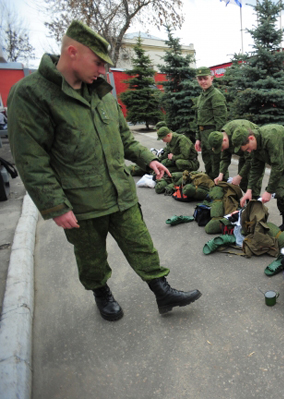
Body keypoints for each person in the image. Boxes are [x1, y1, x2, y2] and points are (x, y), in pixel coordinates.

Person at [7, 20, 201, 322]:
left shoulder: (102, 95)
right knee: (91, 258)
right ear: (73, 52)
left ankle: (162, 292)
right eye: (98, 62)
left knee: (142, 245)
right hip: (81, 204)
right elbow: (32, 159)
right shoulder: (32, 95)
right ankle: (102, 293)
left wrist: (147, 160)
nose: (102, 70)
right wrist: (54, 205)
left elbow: (124, 139)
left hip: (120, 192)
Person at [233, 124, 284, 239]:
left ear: (251, 138)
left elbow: (277, 166)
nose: (249, 151)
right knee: (280, 191)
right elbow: (255, 169)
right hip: (283, 159)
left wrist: (268, 191)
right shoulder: (254, 148)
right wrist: (249, 190)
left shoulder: (270, 137)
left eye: (248, 148)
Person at [194, 66, 228, 179]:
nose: (203, 81)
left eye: (205, 78)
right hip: (204, 136)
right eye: (200, 79)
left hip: (213, 134)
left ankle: (223, 190)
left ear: (211, 78)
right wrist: (198, 138)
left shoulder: (216, 95)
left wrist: (219, 139)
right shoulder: (201, 97)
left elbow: (221, 120)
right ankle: (211, 187)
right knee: (208, 163)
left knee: (217, 164)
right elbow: (199, 119)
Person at [209, 119, 259, 191]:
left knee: (253, 183)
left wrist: (239, 176)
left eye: (222, 147)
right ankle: (249, 199)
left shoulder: (239, 133)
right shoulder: (223, 136)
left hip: (254, 152)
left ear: (225, 140)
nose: (222, 150)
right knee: (243, 183)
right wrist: (221, 175)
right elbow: (225, 159)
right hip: (244, 154)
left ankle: (255, 200)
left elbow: (250, 159)